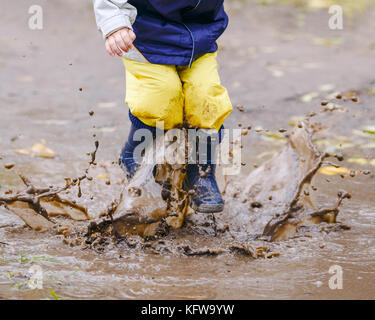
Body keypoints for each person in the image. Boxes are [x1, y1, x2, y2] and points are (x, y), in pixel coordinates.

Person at [93, 0, 232, 213]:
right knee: (160, 98)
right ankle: (135, 153)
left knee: (207, 100)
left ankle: (201, 173)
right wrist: (115, 23)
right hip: (145, 37)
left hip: (199, 37)